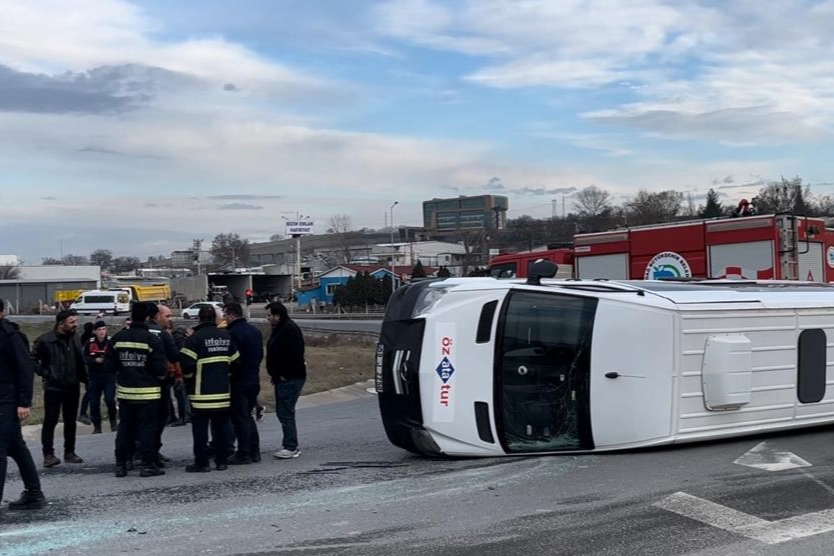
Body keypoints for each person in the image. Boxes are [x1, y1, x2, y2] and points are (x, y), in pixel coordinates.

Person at [108, 302, 167, 478]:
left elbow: (109, 366)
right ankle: (147, 465)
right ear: (148, 317)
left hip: (126, 392)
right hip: (149, 393)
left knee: (125, 428)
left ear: (132, 316)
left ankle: (121, 464)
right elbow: (160, 369)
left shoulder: (118, 338)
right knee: (146, 429)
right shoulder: (152, 340)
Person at [0, 300, 46, 515]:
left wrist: (24, 402)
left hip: (7, 402)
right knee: (16, 446)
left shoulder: (11, 336)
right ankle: (34, 493)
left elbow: (25, 369)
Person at [180, 306, 239, 472]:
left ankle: (202, 463)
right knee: (220, 430)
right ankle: (221, 461)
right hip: (222, 393)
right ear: (215, 319)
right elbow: (236, 362)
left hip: (201, 395)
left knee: (200, 431)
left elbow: (185, 363)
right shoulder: (226, 336)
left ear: (199, 319)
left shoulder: (195, 339)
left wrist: (189, 378)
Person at [32, 309, 87, 468]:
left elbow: (80, 360)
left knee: (71, 420)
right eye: (71, 322)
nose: (75, 325)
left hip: (72, 385)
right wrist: (46, 373)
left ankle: (69, 452)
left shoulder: (75, 337)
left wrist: (86, 379)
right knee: (51, 421)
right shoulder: (45, 340)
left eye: (75, 321)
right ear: (61, 324)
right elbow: (32, 359)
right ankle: (48, 454)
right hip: (54, 387)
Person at [224, 302, 264, 465]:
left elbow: (232, 359)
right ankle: (254, 450)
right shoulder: (255, 331)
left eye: (225, 315)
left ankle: (244, 452)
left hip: (238, 380)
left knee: (240, 417)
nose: (224, 318)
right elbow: (260, 354)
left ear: (232, 315)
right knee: (248, 415)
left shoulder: (231, 334)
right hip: (253, 378)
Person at [265, 301, 306, 459]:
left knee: (286, 411)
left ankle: (291, 446)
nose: (267, 318)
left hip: (290, 377)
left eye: (269, 315)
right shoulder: (280, 328)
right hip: (282, 377)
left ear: (277, 315)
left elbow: (294, 355)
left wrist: (284, 374)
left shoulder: (288, 330)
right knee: (283, 412)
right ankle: (289, 444)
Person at [147, 303, 181, 467]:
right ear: (157, 316)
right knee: (159, 418)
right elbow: (174, 356)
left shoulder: (134, 332)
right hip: (160, 383)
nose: (170, 319)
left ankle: (143, 451)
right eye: (167, 316)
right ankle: (152, 452)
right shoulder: (163, 334)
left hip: (139, 384)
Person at [83, 320, 117, 434]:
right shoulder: (90, 342)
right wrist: (94, 360)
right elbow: (85, 358)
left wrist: (106, 361)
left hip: (109, 376)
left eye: (103, 329)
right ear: (95, 331)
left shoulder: (111, 341)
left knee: (109, 399)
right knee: (94, 402)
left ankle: (113, 422)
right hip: (94, 377)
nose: (102, 332)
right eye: (99, 330)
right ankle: (97, 426)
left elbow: (116, 358)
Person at [77, 322, 94, 426]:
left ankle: (86, 413)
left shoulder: (83, 338)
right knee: (90, 393)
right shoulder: (90, 339)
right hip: (89, 370)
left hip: (86, 369)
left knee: (90, 393)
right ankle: (83, 413)